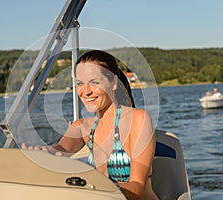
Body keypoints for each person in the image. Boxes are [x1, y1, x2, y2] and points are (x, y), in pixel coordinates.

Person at [22, 50, 158, 200]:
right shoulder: (82, 127)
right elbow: (61, 149)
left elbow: (137, 186)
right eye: (80, 83)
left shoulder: (138, 119)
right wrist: (43, 153)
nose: (85, 92)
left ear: (113, 82)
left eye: (94, 82)